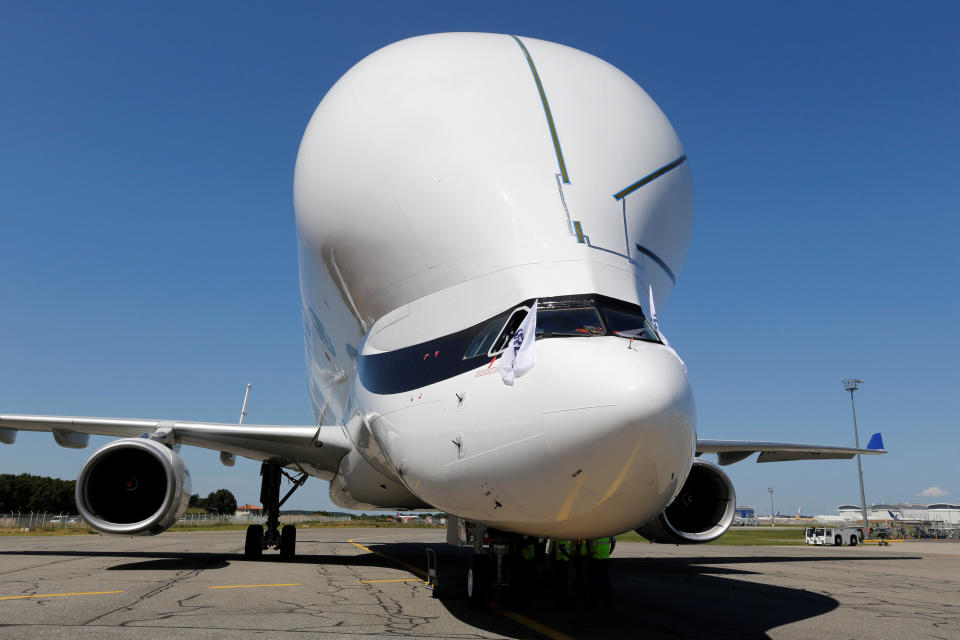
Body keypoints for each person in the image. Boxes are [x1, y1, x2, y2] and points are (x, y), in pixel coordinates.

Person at [587, 535, 616, 605]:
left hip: (595, 559)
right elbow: (614, 542)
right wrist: (610, 551)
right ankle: (607, 599)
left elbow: (587, 543)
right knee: (605, 580)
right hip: (605, 558)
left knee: (594, 581)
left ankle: (595, 600)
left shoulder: (594, 532)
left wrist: (589, 553)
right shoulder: (609, 532)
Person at [546, 538, 572, 604]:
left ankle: (559, 598)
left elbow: (551, 550)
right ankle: (562, 599)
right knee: (563, 581)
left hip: (560, 560)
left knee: (560, 580)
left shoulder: (555, 538)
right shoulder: (562, 536)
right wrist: (570, 557)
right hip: (563, 560)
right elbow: (561, 548)